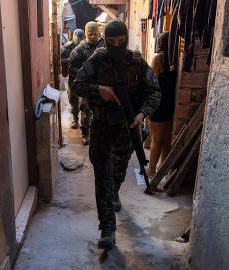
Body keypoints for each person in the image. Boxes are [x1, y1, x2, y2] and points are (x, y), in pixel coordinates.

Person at [72, 19, 161, 250]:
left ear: (126, 40)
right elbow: (77, 84)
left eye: (121, 42)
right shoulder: (98, 59)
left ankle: (115, 193)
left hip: (126, 129)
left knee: (118, 172)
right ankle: (107, 229)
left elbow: (154, 92)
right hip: (101, 127)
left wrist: (142, 113)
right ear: (105, 40)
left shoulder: (137, 63)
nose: (116, 46)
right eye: (111, 42)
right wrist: (98, 90)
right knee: (103, 177)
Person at [145, 31, 177, 177]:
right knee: (166, 142)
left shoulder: (159, 59)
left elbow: (151, 82)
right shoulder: (175, 59)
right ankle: (162, 171)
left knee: (156, 140)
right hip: (170, 105)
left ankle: (151, 171)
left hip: (158, 105)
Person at [69, 21, 105, 144]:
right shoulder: (80, 48)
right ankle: (85, 134)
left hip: (103, 85)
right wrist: (82, 73)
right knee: (85, 110)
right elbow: (71, 66)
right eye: (90, 34)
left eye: (95, 34)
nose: (93, 36)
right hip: (87, 86)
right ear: (86, 33)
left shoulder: (104, 45)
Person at [61, 29, 85, 125]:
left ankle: (85, 122)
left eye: (80, 38)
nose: (78, 40)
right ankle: (75, 118)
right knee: (73, 98)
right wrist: (71, 59)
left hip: (84, 77)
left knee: (84, 99)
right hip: (73, 76)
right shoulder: (68, 46)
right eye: (77, 38)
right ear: (74, 37)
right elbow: (61, 60)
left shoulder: (85, 46)